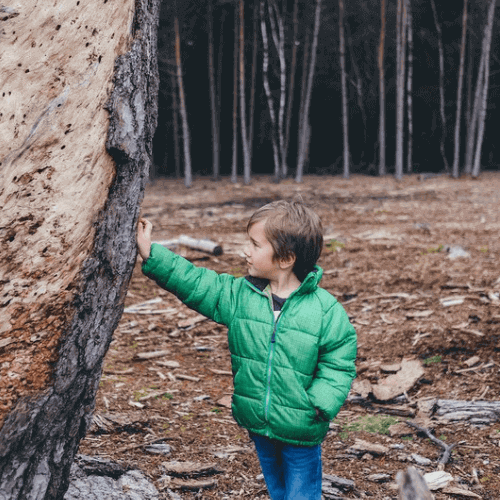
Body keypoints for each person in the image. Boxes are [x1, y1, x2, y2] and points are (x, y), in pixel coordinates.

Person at [136, 200, 357, 500]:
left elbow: (339, 362)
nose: (245, 250)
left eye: (255, 244)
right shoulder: (241, 295)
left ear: (286, 258)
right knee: (278, 489)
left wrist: (318, 404)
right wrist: (153, 253)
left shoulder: (325, 310)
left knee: (302, 494)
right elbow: (197, 283)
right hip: (257, 420)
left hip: (301, 427)